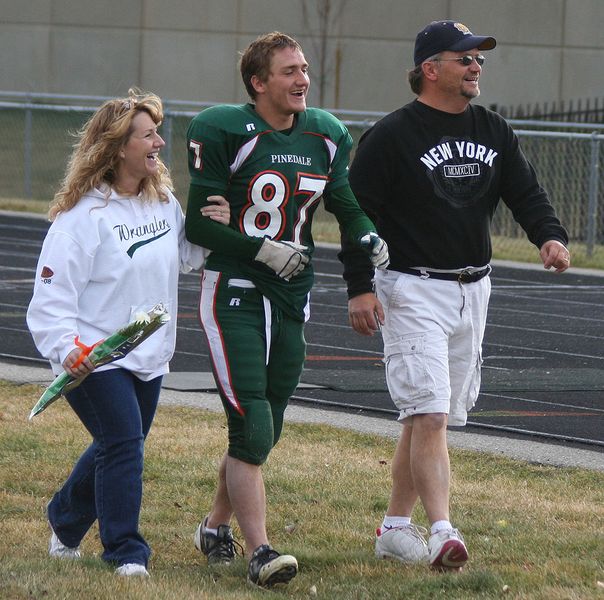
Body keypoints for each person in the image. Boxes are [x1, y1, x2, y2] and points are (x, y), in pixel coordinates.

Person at [339, 20, 570, 571]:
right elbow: (355, 215)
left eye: (479, 59)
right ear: (430, 69)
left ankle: (395, 528)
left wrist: (550, 236)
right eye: (464, 58)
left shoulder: (492, 128)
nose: (475, 67)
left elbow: (525, 190)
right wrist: (359, 288)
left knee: (426, 416)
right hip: (412, 286)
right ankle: (443, 532)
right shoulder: (392, 135)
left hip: (474, 288)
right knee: (431, 415)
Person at [184, 31, 389, 587]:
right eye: (289, 71)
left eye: (304, 69)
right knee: (251, 418)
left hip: (291, 292)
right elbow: (198, 223)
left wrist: (368, 236)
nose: (302, 80)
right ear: (258, 82)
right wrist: (263, 249)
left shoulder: (325, 134)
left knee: (264, 424)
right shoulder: (225, 128)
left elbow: (344, 204)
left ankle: (214, 525)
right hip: (235, 288)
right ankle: (261, 552)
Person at [26, 89, 229, 578]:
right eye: (148, 135)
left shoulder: (162, 202)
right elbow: (50, 302)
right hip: (94, 356)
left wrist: (213, 227)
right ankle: (126, 552)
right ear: (118, 147)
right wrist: (68, 349)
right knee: (122, 444)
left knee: (118, 443)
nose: (160, 141)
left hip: (150, 351)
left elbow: (186, 256)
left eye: (158, 132)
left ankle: (64, 520)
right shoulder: (81, 219)